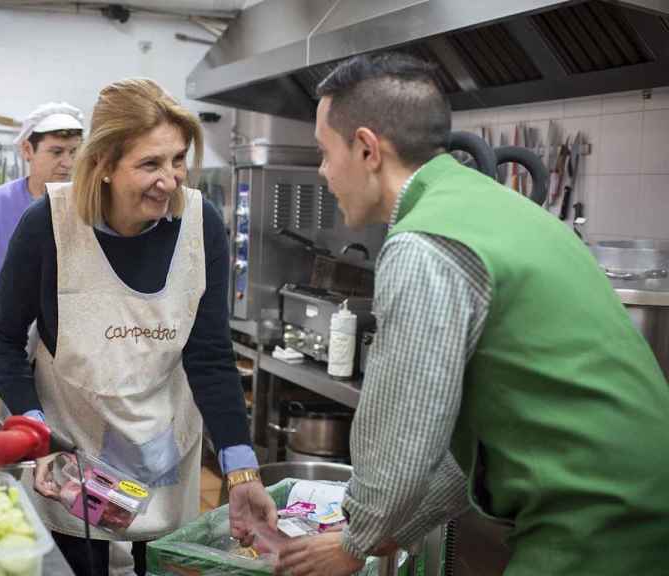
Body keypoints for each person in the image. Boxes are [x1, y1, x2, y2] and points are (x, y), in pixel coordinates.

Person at [276, 52, 669, 576]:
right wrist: (392, 530)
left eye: (325, 153)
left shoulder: (426, 242)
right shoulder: (495, 207)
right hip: (637, 502)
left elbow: (404, 426)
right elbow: (462, 446)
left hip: (596, 518)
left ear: (367, 148)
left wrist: (357, 539)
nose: (323, 173)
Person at [0, 78, 277, 576]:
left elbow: (208, 352)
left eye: (178, 160)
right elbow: (2, 337)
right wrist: (36, 431)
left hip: (166, 451)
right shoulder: (47, 226)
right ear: (102, 166)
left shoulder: (199, 223)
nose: (170, 180)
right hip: (73, 457)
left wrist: (240, 466)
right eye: (149, 164)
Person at [0, 102, 84, 298]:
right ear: (27, 150)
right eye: (57, 152)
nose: (68, 163)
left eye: (74, 152)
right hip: (11, 327)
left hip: (71, 326)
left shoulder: (89, 204)